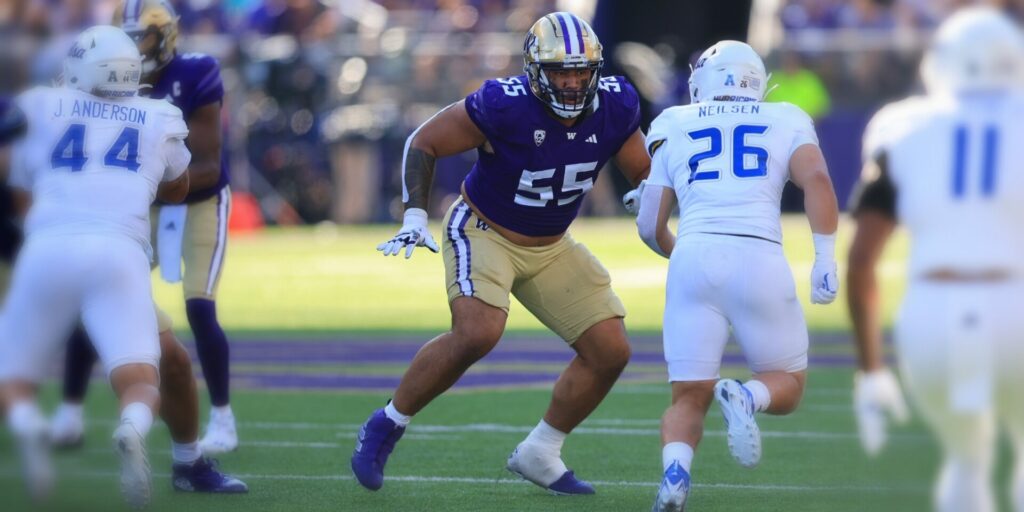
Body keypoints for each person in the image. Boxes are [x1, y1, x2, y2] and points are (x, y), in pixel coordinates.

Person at [351, 11, 650, 495]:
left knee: (610, 350)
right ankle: (387, 421)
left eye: (581, 71)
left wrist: (647, 194)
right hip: (484, 230)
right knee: (478, 331)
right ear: (535, 71)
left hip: (552, 244)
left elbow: (640, 169)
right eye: (561, 72)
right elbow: (423, 141)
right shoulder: (503, 104)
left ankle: (542, 450)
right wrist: (412, 214)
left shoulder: (616, 103)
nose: (573, 83)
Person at [634, 41, 839, 511]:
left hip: (694, 256)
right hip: (758, 257)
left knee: (687, 395)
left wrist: (681, 252)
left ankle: (675, 475)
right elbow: (819, 182)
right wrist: (825, 259)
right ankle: (747, 396)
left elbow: (649, 224)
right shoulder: (785, 116)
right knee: (786, 385)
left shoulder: (672, 122)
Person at [0, 25, 189, 507]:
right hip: (119, 251)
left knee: (12, 374)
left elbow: (21, 193)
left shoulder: (42, 106)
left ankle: (28, 430)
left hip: (49, 246)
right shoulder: (158, 115)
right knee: (141, 379)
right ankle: (131, 428)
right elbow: (178, 188)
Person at [847, 8, 1024, 512]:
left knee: (966, 458)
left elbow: (861, 260)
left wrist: (871, 369)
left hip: (934, 315)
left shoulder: (902, 126)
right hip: (1015, 305)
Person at [54, 0, 239, 455]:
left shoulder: (193, 74)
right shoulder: (106, 86)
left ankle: (223, 417)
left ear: (167, 36)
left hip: (194, 198)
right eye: (128, 39)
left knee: (199, 307)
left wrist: (132, 184)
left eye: (144, 38)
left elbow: (210, 166)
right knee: (95, 302)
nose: (135, 49)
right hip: (145, 201)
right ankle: (70, 409)